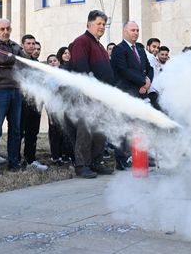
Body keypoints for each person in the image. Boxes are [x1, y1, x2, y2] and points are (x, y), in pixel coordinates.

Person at [67, 10, 115, 178]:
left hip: (102, 95)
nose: (102, 27)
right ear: (89, 24)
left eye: (103, 24)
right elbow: (81, 68)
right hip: (88, 94)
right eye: (98, 24)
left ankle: (96, 162)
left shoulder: (99, 44)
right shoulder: (82, 41)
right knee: (86, 130)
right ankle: (82, 165)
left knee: (99, 130)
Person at [110, 21, 154, 170]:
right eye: (133, 30)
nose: (136, 32)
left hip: (141, 92)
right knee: (124, 126)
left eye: (137, 30)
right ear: (125, 31)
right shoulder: (119, 49)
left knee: (139, 126)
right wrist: (142, 82)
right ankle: (121, 158)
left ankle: (138, 156)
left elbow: (149, 68)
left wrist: (147, 82)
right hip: (126, 92)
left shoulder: (140, 50)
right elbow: (123, 70)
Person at [0, 19, 27, 177]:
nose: (6, 31)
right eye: (2, 29)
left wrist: (12, 58)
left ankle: (14, 163)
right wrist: (14, 58)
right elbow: (1, 59)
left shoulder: (15, 46)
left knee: (15, 130)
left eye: (8, 28)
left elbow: (24, 64)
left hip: (16, 91)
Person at [20, 34, 47, 171]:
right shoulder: (18, 60)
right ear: (23, 45)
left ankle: (30, 158)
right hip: (22, 102)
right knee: (19, 132)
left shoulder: (36, 63)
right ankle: (16, 160)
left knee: (33, 132)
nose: (31, 46)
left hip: (35, 103)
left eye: (33, 44)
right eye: (29, 44)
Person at [145, 38, 161, 109]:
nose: (156, 49)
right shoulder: (149, 57)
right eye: (154, 47)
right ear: (148, 47)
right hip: (151, 90)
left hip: (154, 90)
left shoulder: (153, 58)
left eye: (158, 47)